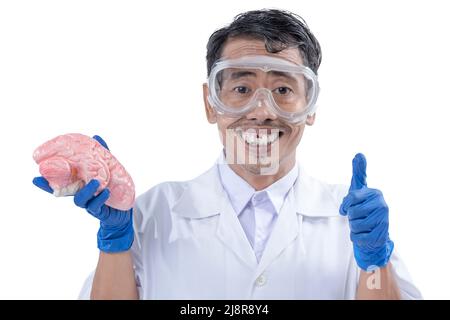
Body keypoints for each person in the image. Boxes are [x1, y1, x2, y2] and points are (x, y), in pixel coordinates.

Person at [34, 9, 422, 299]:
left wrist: (374, 260)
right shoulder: (153, 213)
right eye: (240, 89)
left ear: (311, 105)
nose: (261, 110)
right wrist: (114, 245)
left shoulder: (352, 221)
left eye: (283, 90)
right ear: (209, 102)